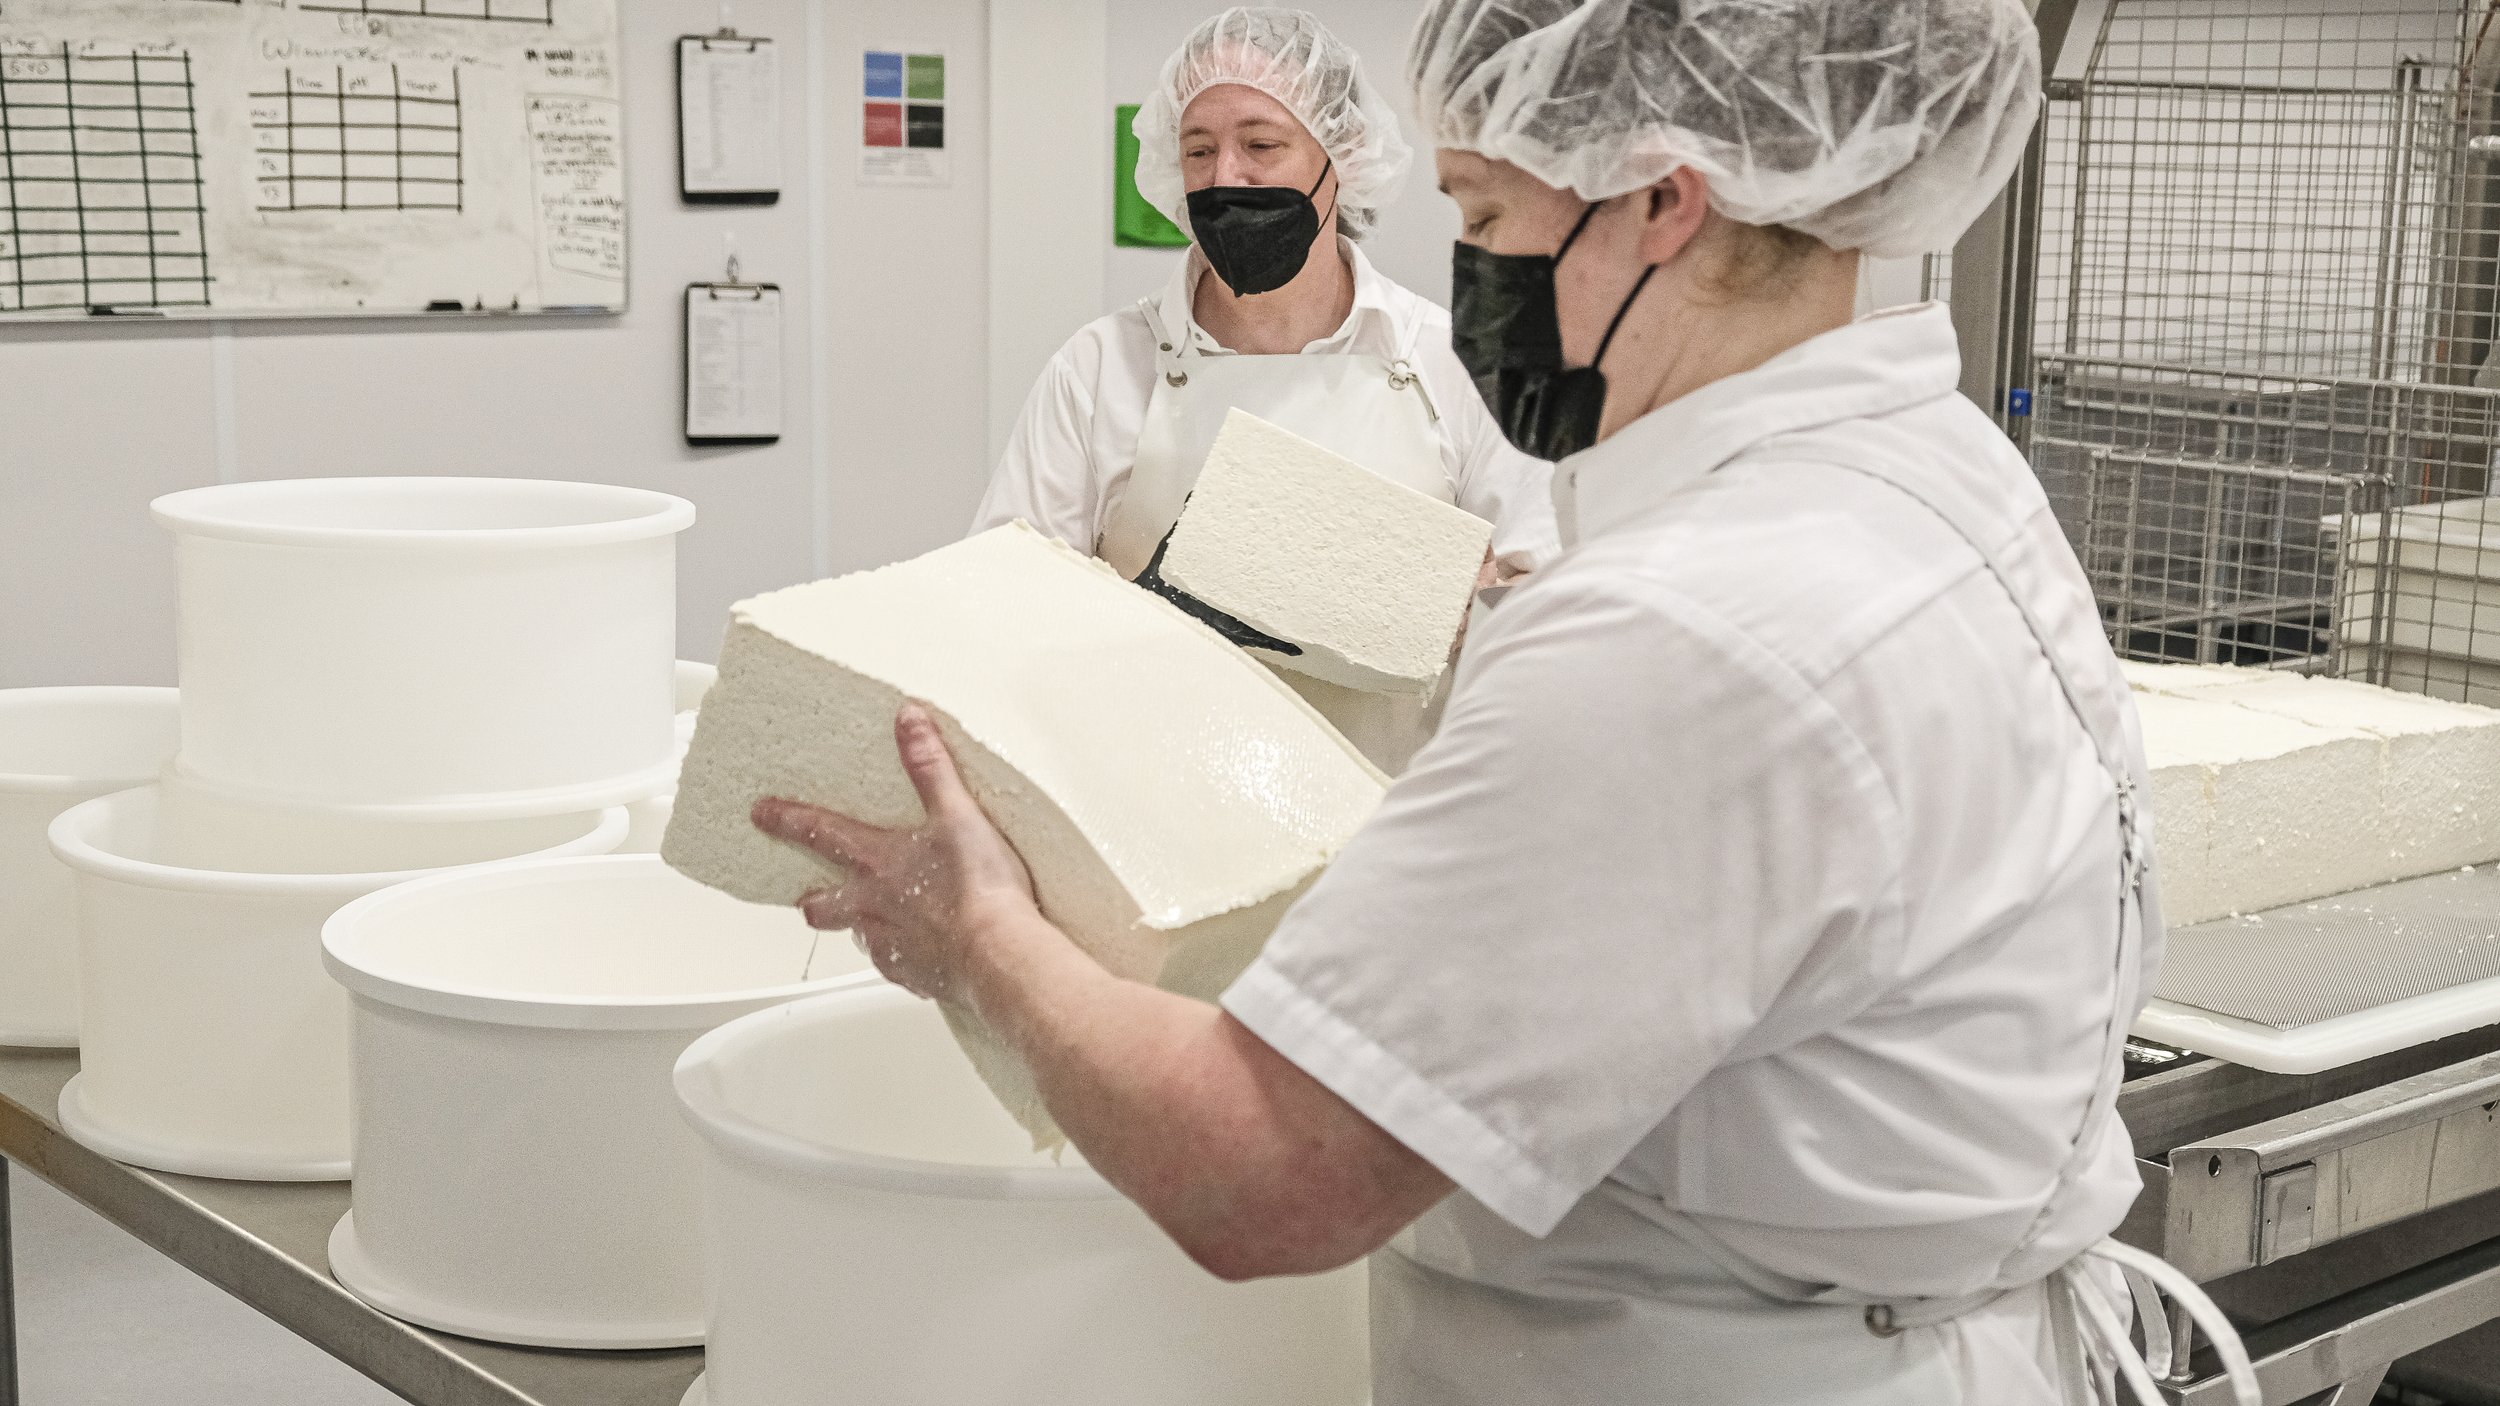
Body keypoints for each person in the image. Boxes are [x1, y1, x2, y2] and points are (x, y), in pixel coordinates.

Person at [758, 0, 2261, 1402]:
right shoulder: (1940, 474)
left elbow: (1261, 1169)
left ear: (1663, 201)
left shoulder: (1677, 630)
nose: (1470, 265)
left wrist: (980, 936)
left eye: (1483, 214)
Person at [970, 7, 1558, 774]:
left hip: (1384, 827)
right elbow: (997, 608)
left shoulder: (1453, 362)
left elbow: (1551, 609)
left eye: (1261, 145)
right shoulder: (1101, 368)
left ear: (1340, 155)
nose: (1226, 179)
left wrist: (1440, 607)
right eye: (1199, 149)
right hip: (1154, 814)